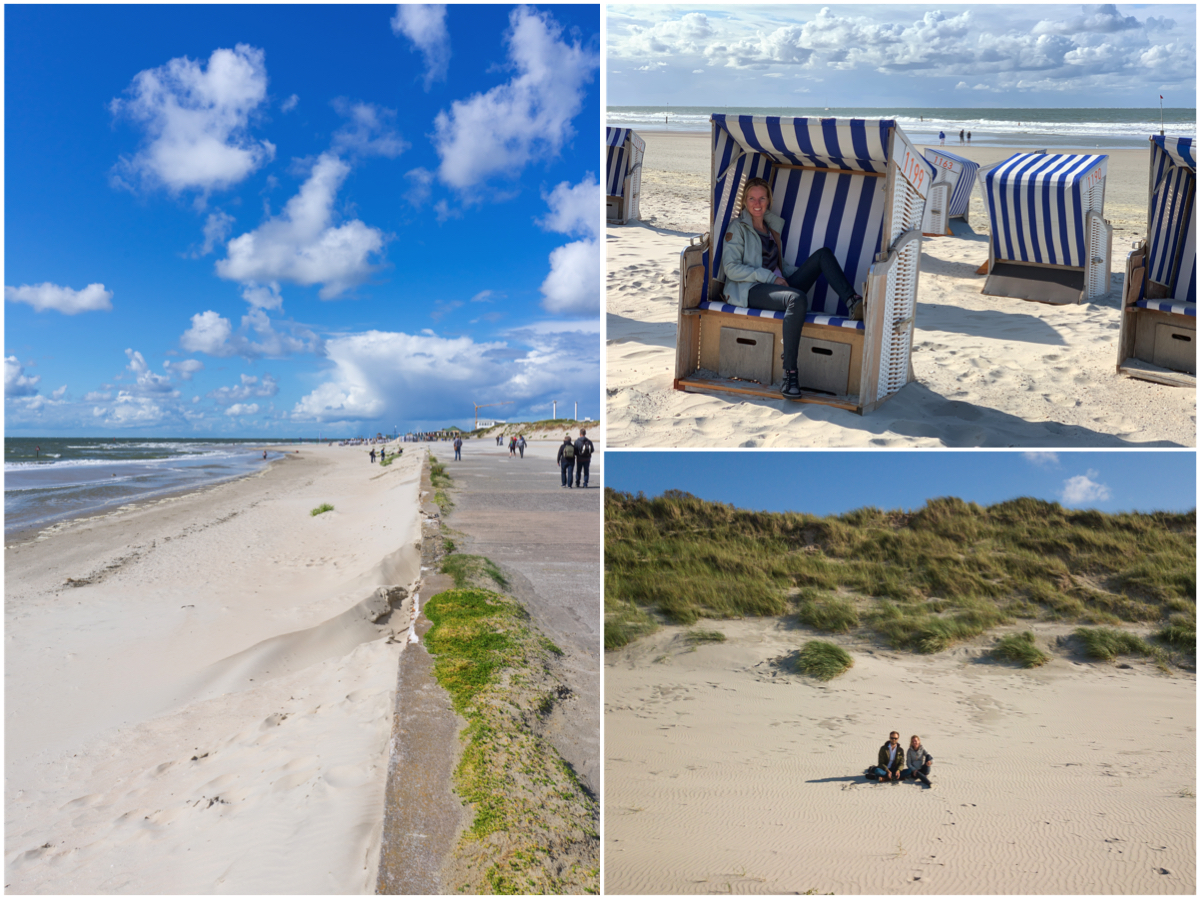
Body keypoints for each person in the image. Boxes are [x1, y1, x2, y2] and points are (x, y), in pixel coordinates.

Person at [720, 177, 864, 400]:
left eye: (762, 198)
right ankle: (790, 374)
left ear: (768, 200)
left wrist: (800, 272)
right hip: (749, 290)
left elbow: (779, 266)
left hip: (774, 285)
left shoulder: (770, 229)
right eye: (752, 198)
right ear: (745, 202)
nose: (757, 203)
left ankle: (853, 303)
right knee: (796, 299)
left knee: (822, 255)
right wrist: (769, 277)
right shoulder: (738, 228)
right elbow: (731, 268)